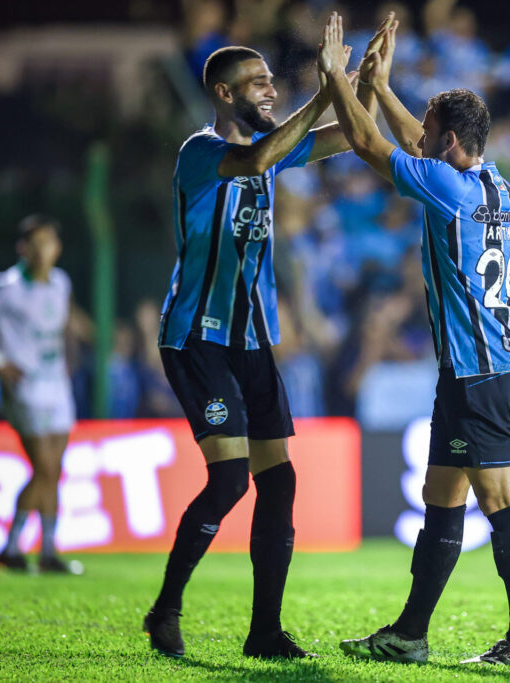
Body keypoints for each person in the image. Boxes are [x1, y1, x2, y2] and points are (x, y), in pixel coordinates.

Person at [143, 15, 393, 660]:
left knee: (278, 483)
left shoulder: (271, 146)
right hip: (197, 337)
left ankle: (265, 632)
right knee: (230, 480)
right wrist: (327, 89)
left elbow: (351, 135)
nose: (270, 89)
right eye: (256, 83)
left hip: (253, 338)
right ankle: (165, 609)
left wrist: (364, 83)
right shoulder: (202, 151)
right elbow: (258, 158)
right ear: (224, 93)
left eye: (271, 80)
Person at [319, 14, 510, 667]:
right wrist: (381, 86)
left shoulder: (447, 188)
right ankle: (410, 634)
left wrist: (339, 80)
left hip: (482, 367)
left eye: (428, 128)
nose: (418, 135)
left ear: (448, 141)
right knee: (442, 496)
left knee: (501, 499)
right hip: (478, 363)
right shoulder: (494, 183)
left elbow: (368, 143)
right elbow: (417, 146)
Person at [0, 215, 82, 575]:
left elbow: (66, 323)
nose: (42, 249)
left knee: (54, 470)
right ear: (23, 248)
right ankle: (11, 546)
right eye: (35, 242)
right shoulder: (7, 287)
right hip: (25, 385)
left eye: (48, 241)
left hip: (56, 383)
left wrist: (73, 355)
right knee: (43, 467)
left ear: (57, 248)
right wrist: (0, 362)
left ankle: (47, 552)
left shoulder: (61, 283)